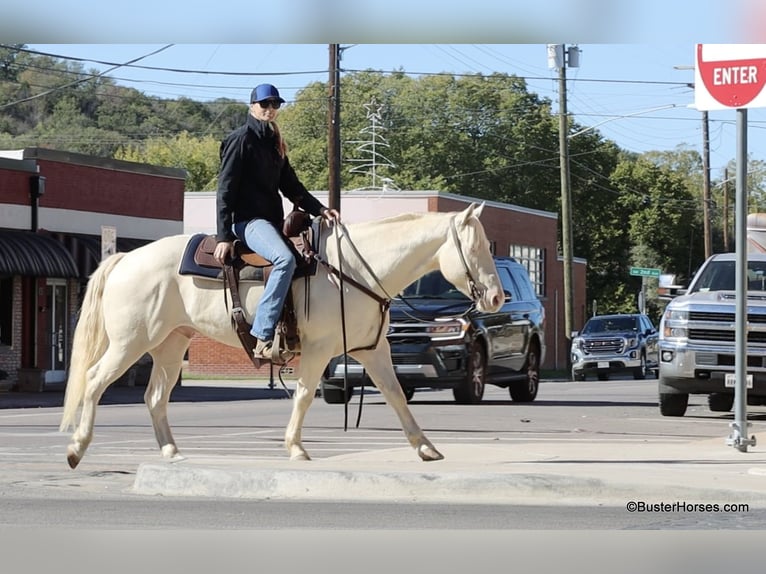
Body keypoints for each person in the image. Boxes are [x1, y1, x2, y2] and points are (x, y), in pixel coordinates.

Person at [213, 83, 340, 360]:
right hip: (247, 221)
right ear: (252, 106)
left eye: (275, 105)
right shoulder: (240, 139)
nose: (270, 109)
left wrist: (320, 209)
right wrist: (223, 236)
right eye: (265, 104)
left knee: (309, 257)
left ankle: (292, 328)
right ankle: (262, 333)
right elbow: (225, 189)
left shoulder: (274, 143)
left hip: (270, 223)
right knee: (285, 259)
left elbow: (291, 186)